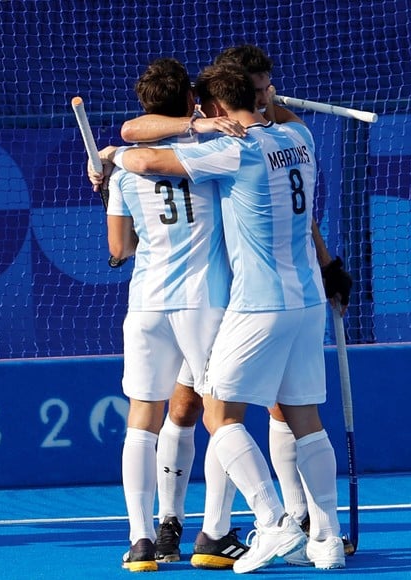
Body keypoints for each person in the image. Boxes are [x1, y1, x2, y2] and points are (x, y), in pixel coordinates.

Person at [100, 61, 348, 573]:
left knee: (220, 416)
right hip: (305, 301)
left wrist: (111, 159)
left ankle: (273, 522)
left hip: (256, 305)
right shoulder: (300, 135)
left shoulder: (231, 151)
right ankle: (324, 537)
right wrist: (331, 267)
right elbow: (274, 115)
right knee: (304, 418)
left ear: (211, 107)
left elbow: (139, 156)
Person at [102, 57, 247, 573]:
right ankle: (215, 533)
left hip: (146, 304)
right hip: (203, 303)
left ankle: (142, 539)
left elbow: (119, 249)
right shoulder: (212, 150)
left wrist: (110, 188)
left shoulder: (124, 170)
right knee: (222, 415)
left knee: (144, 418)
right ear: (189, 102)